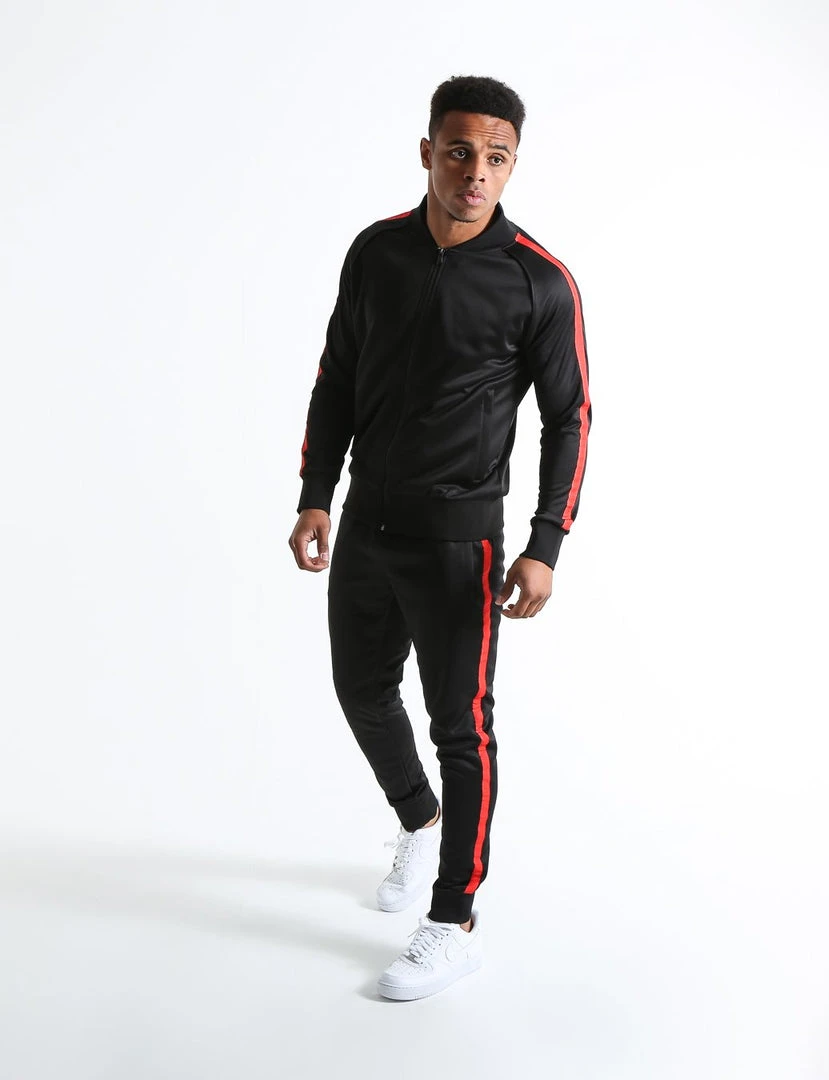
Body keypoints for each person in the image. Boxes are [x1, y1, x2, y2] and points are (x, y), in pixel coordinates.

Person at [289, 74, 591, 1001]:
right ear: (428, 152)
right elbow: (338, 376)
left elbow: (570, 417)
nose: (476, 172)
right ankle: (418, 824)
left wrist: (545, 543)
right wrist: (316, 494)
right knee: (359, 688)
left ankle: (454, 921)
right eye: (459, 152)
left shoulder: (538, 280)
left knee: (462, 728)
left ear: (513, 165)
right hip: (366, 522)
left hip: (462, 543)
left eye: (497, 157)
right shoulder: (376, 251)